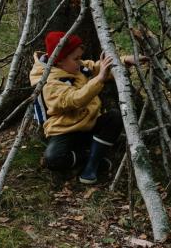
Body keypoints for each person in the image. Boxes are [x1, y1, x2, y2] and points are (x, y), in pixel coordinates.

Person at [29, 31, 135, 185]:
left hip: (88, 123)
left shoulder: (74, 66)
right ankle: (90, 155)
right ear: (59, 61)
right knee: (53, 159)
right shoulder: (50, 82)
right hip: (65, 130)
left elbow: (96, 67)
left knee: (114, 117)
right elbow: (73, 100)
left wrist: (125, 60)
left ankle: (92, 165)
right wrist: (99, 80)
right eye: (76, 58)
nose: (80, 62)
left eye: (80, 58)